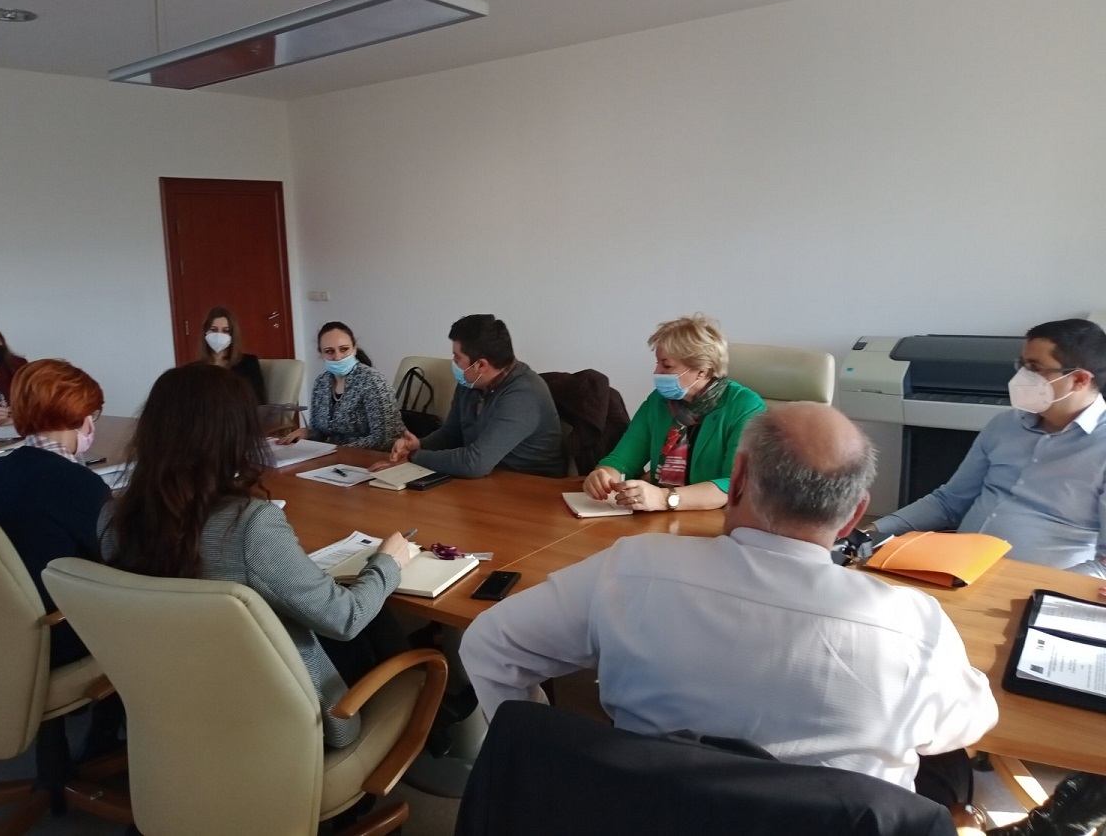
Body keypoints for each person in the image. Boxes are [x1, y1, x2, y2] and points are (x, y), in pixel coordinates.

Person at [461, 403, 997, 801]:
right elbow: (967, 725)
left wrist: (550, 760)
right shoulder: (909, 626)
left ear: (735, 482)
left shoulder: (631, 570)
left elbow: (489, 644)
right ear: (855, 515)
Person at [871, 318, 1106, 836]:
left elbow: (1104, 562)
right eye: (1020, 363)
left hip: (1032, 596)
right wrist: (872, 532)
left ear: (1079, 379)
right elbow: (949, 500)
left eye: (1035, 367)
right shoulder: (1005, 426)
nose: (1020, 376)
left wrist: (1028, 588)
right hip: (955, 572)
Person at [99, 364, 414, 748]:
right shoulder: (249, 525)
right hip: (282, 724)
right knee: (375, 620)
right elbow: (344, 618)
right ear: (234, 437)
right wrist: (387, 563)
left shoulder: (113, 518)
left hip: (171, 713)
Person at [0, 359, 110, 667]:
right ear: (79, 416)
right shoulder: (77, 483)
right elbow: (115, 556)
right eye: (92, 414)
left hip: (6, 628)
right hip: (62, 628)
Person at [584, 314, 765, 511]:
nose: (657, 371)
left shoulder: (745, 406)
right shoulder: (658, 401)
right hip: (660, 516)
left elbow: (734, 484)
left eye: (666, 365)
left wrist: (664, 498)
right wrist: (603, 475)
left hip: (716, 518)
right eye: (657, 363)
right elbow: (622, 461)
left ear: (702, 370)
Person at [383, 315, 565, 478]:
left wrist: (415, 457)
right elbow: (451, 434)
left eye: (457, 358)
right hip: (485, 479)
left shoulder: (524, 395)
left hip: (530, 486)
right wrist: (419, 445)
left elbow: (475, 463)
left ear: (481, 366)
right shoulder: (470, 383)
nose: (454, 364)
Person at [277, 321, 404, 450]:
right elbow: (319, 430)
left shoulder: (373, 381)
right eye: (329, 351)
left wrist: (337, 451)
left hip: (369, 456)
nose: (337, 357)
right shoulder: (321, 383)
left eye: (344, 349)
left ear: (354, 349)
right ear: (321, 354)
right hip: (333, 455)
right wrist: (308, 432)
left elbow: (385, 438)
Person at [199, 306, 266, 403]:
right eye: (214, 329)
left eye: (226, 331)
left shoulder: (248, 363)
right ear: (205, 332)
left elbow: (258, 400)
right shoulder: (195, 369)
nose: (219, 335)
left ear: (232, 335)